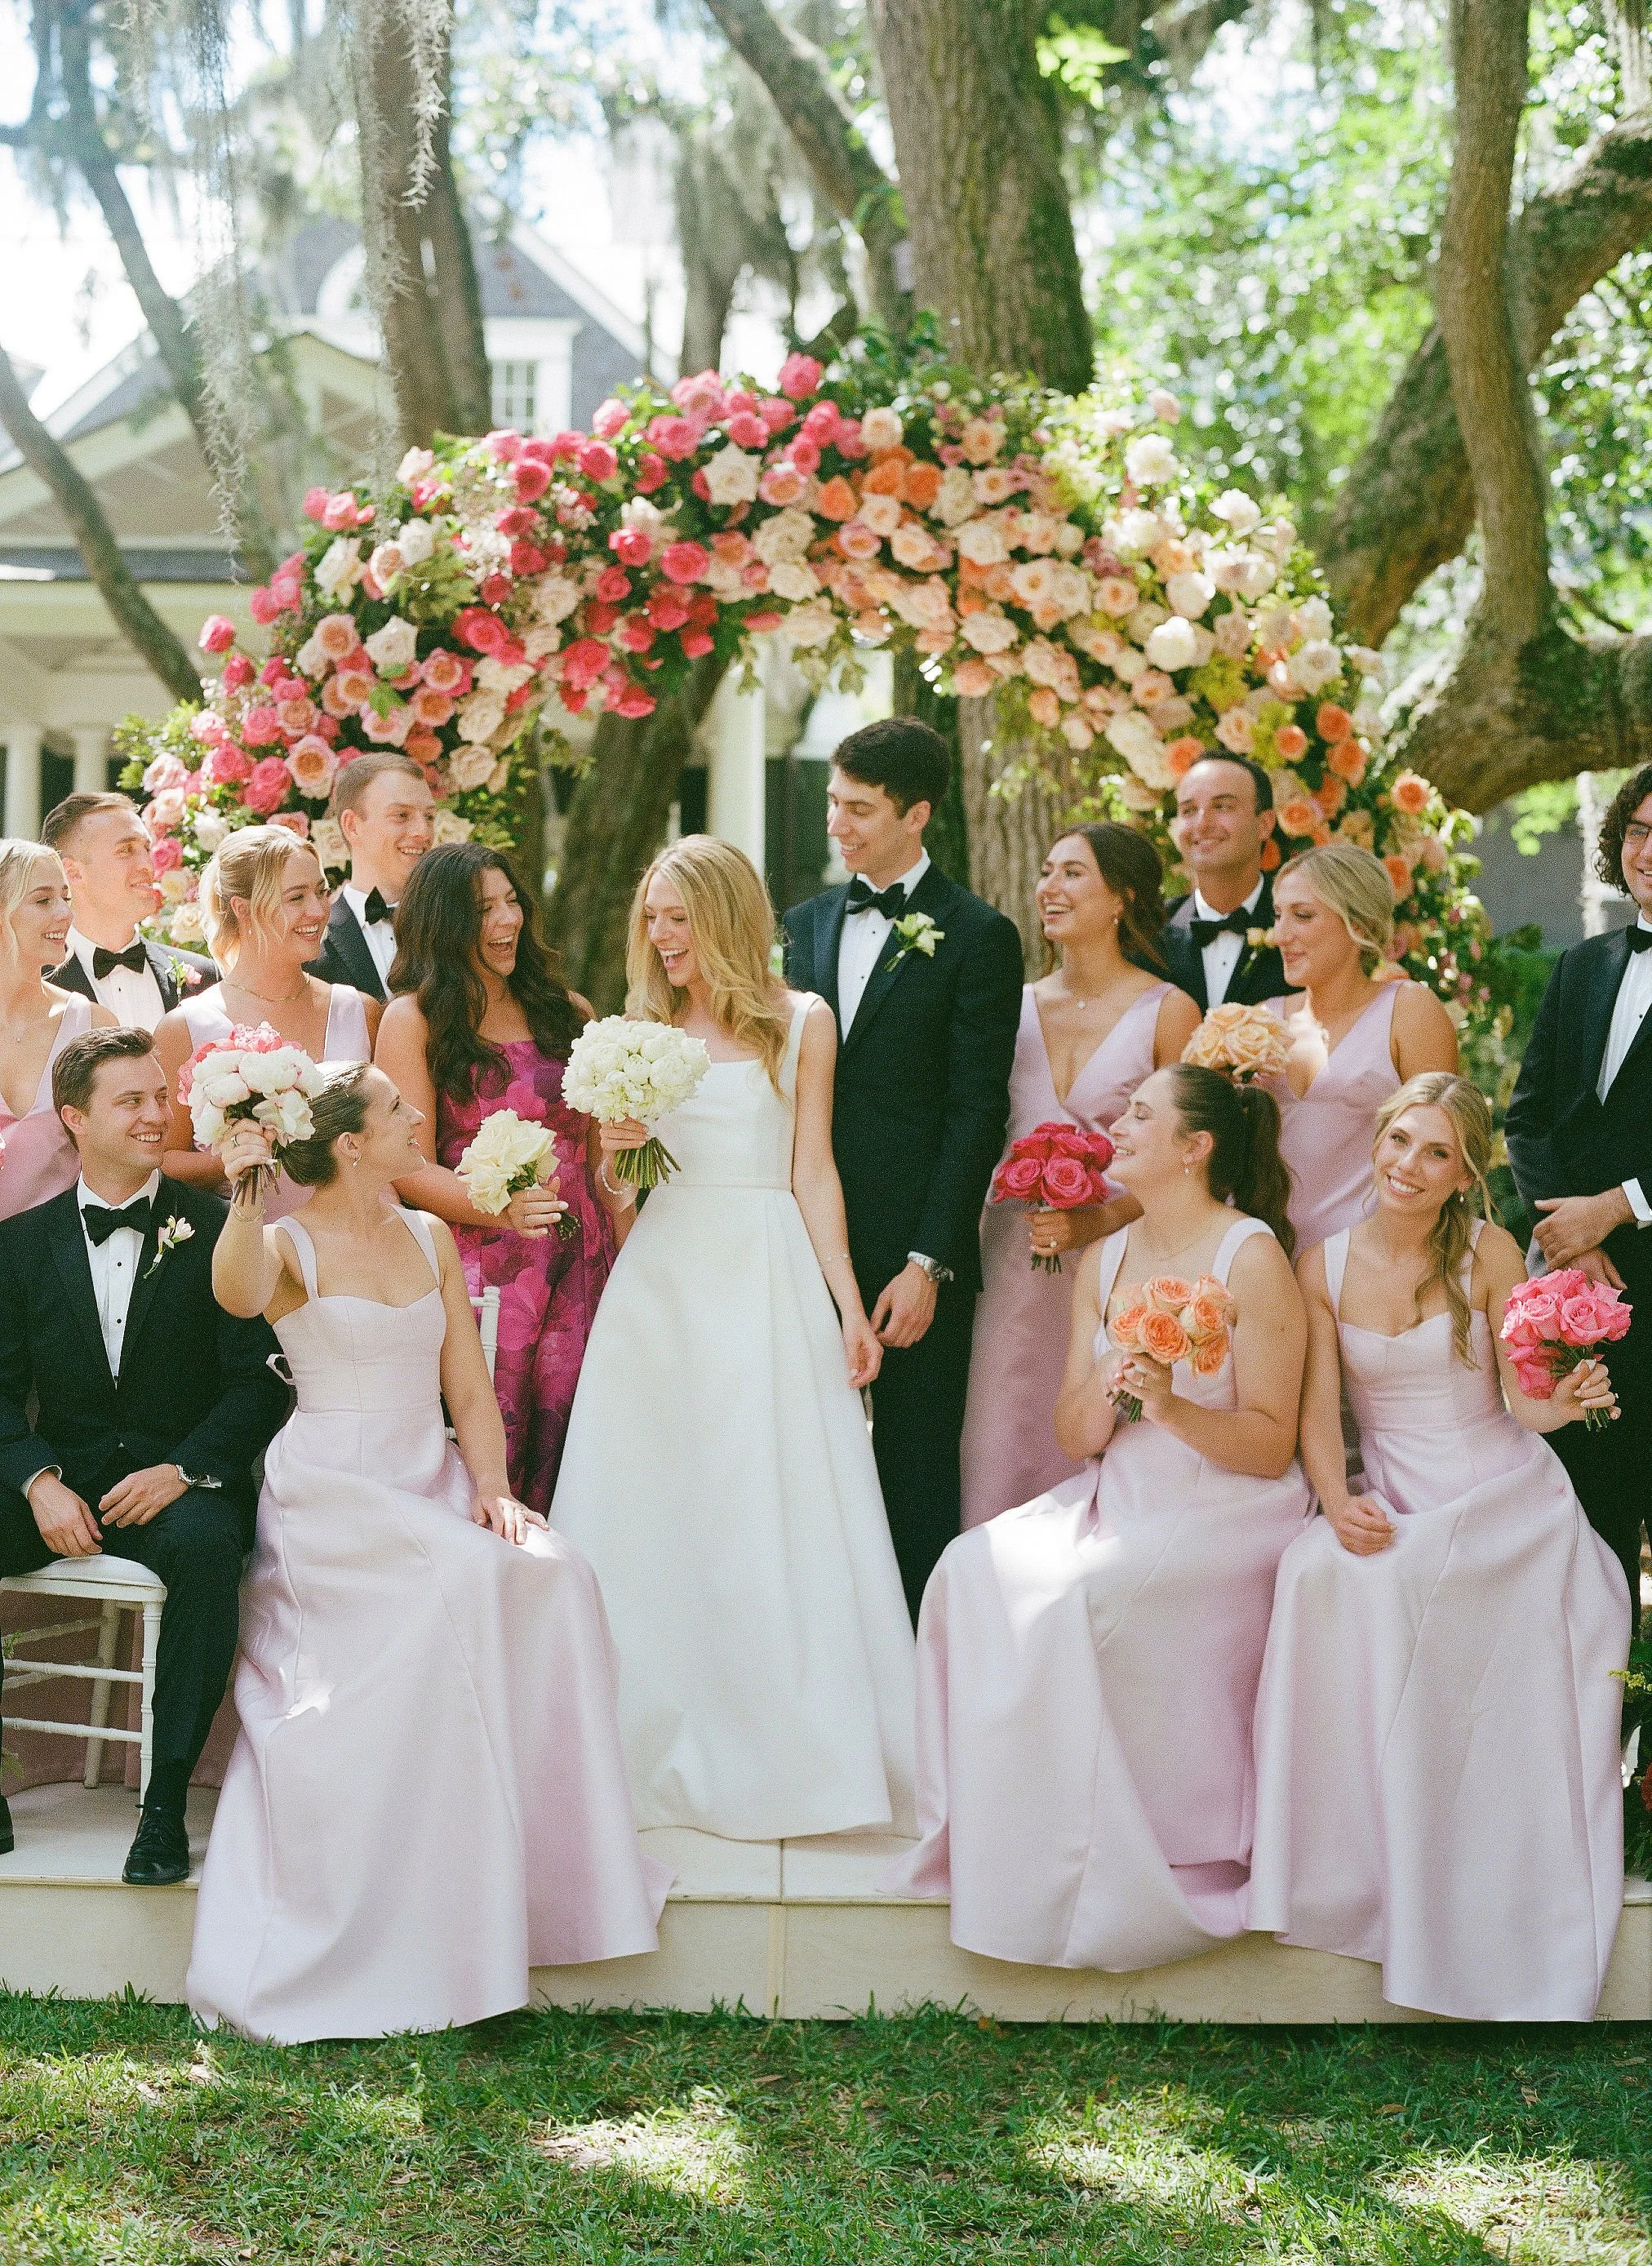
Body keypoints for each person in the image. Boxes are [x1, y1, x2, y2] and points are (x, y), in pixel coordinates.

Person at [187, 1063, 668, 2043]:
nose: (417, 1114)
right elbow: (236, 1297)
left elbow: (468, 1391)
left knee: (554, 1573)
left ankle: (550, 1883)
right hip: (333, 1494)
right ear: (352, 1143)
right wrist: (243, 1188)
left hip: (432, 1481)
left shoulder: (429, 1232)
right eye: (395, 1111)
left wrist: (493, 1490)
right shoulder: (282, 1242)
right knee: (453, 1584)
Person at [884, 1064, 1311, 1971]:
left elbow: (1272, 1444)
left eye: (1141, 1116)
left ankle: (1131, 1844)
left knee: (1079, 1596)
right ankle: (1004, 1831)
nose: (1117, 1125)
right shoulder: (1106, 1258)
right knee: (969, 1567)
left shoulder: (1251, 1254)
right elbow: (1074, 1430)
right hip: (1119, 1488)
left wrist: (1172, 1406)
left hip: (1228, 1502)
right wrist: (1120, 1391)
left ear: (1194, 1148)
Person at [552, 836, 916, 1842]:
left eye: (677, 917)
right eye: (651, 918)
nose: (660, 937)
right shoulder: (636, 1027)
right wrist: (617, 1157)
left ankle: (782, 1750)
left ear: (723, 915)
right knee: (653, 1508)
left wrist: (846, 1303)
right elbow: (623, 1203)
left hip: (763, 1275)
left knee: (765, 1506)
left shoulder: (801, 1024)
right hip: (663, 1283)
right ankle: (634, 1747)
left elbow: (813, 1173)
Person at [1250, 1076, 1631, 2020]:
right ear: (1374, 1143)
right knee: (1312, 1571)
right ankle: (1341, 1874)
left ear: (1464, 1174)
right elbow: (1314, 1411)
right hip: (1391, 1495)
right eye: (1398, 1142)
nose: (1407, 1166)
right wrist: (1336, 1502)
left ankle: (1479, 1891)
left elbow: (1521, 1403)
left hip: (1501, 1498)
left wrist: (1571, 1399)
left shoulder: (1489, 1251)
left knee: (1417, 1590)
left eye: (1433, 1153)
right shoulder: (1319, 1263)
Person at [0, 1029, 287, 1878]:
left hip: (179, 1482)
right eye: (132, 1100)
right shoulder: (18, 1245)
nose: (156, 1115)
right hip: (65, 1477)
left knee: (206, 1551)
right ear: (74, 1119)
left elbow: (261, 1384)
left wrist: (185, 1471)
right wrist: (37, 1480)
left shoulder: (219, 1229)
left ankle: (162, 1810)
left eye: (161, 1097)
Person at [783, 719, 1024, 1614]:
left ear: (916, 814)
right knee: (802, 1469)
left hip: (910, 1253)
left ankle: (919, 1686)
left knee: (911, 1477)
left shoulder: (977, 936)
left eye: (860, 809)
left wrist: (929, 1261)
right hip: (796, 1240)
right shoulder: (799, 925)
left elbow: (975, 1111)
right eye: (834, 805)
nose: (837, 825)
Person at [960, 824, 1199, 1529]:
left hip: (1119, 1259)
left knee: (1100, 1439)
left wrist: (1096, 1220)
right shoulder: (1015, 1003)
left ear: (1122, 897)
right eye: (1046, 871)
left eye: (1073, 874)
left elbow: (1190, 1160)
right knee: (996, 1442)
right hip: (1010, 1261)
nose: (1049, 888)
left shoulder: (1169, 1010)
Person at [375, 844, 623, 1510]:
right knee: (493, 1453)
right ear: (446, 922)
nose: (506, 918)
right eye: (484, 908)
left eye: (512, 900)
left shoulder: (569, 1013)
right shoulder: (413, 1019)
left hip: (580, 1264)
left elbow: (604, 1162)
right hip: (483, 1275)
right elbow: (407, 1167)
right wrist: (500, 1210)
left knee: (584, 1445)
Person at [1507, 760, 1652, 1623]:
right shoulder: (1581, 964)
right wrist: (1571, 1233)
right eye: (1639, 830)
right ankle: (1600, 1748)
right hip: (1580, 1304)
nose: (1649, 851)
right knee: (1590, 1545)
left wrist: (1623, 1203)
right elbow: (1526, 1119)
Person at [155, 828, 379, 1217]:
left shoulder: (360, 1011)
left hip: (360, 1247)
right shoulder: (186, 1027)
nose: (317, 910)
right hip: (249, 1249)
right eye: (295, 898)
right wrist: (240, 1157)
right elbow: (161, 1159)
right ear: (241, 908)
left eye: (321, 891)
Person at [1264, 842, 1459, 1249]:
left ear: (1361, 927)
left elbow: (1445, 1150)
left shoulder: (1408, 1012)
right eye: (1278, 916)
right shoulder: (1256, 1021)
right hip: (1264, 1260)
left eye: (1303, 916)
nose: (1280, 935)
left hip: (1369, 1263)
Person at [0, 839, 113, 1221]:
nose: (65, 913)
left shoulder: (93, 1025)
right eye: (43, 900)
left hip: (59, 1267)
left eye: (65, 897)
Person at [42, 792, 214, 1029]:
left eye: (146, 849)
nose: (148, 865)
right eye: (126, 850)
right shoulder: (34, 982)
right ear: (72, 873)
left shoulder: (204, 977)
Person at [1158, 756, 1287, 1009]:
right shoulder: (1149, 932)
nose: (1202, 824)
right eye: (1188, 810)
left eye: (1223, 806)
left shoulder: (1303, 927)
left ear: (1264, 825)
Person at [307, 753, 435, 1002]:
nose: (423, 831)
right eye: (401, 815)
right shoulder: (314, 944)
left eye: (429, 817)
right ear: (352, 826)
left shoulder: (459, 924)